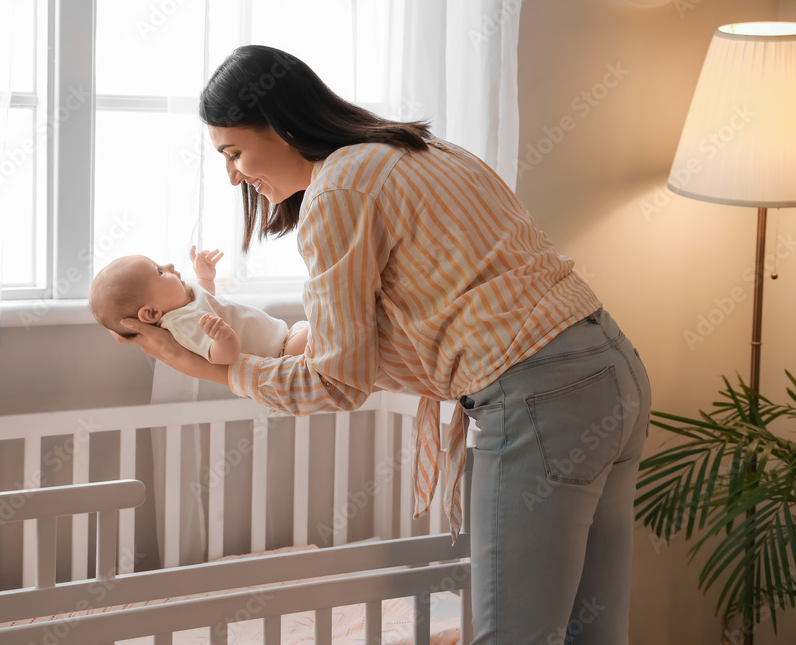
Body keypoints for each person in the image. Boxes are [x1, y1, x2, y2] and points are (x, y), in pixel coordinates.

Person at [112, 45, 651, 644]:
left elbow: (337, 383)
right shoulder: (419, 148)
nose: (233, 174)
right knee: (592, 630)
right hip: (609, 372)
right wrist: (288, 342)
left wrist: (206, 368)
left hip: (538, 396)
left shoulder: (336, 192)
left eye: (234, 152)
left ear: (283, 123)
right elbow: (426, 301)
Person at [90, 246, 308, 365]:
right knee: (329, 323)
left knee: (327, 327)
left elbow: (207, 303)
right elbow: (222, 357)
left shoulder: (186, 305)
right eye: (159, 272)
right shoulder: (181, 325)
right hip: (280, 355)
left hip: (286, 336)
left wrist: (205, 277)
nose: (170, 266)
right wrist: (224, 339)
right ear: (152, 312)